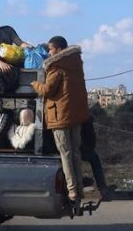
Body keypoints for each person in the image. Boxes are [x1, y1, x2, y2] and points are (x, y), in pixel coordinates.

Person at [31, 36, 90, 204]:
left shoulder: (56, 66)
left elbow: (47, 90)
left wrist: (35, 84)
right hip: (76, 114)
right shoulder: (76, 63)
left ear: (58, 49)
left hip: (60, 115)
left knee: (65, 153)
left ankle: (72, 190)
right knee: (75, 152)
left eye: (50, 49)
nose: (49, 53)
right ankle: (79, 188)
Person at [80, 116, 111, 198]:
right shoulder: (83, 117)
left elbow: (91, 138)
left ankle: (102, 187)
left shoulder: (84, 118)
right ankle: (102, 188)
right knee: (94, 159)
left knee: (94, 158)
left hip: (82, 146)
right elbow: (90, 138)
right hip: (79, 147)